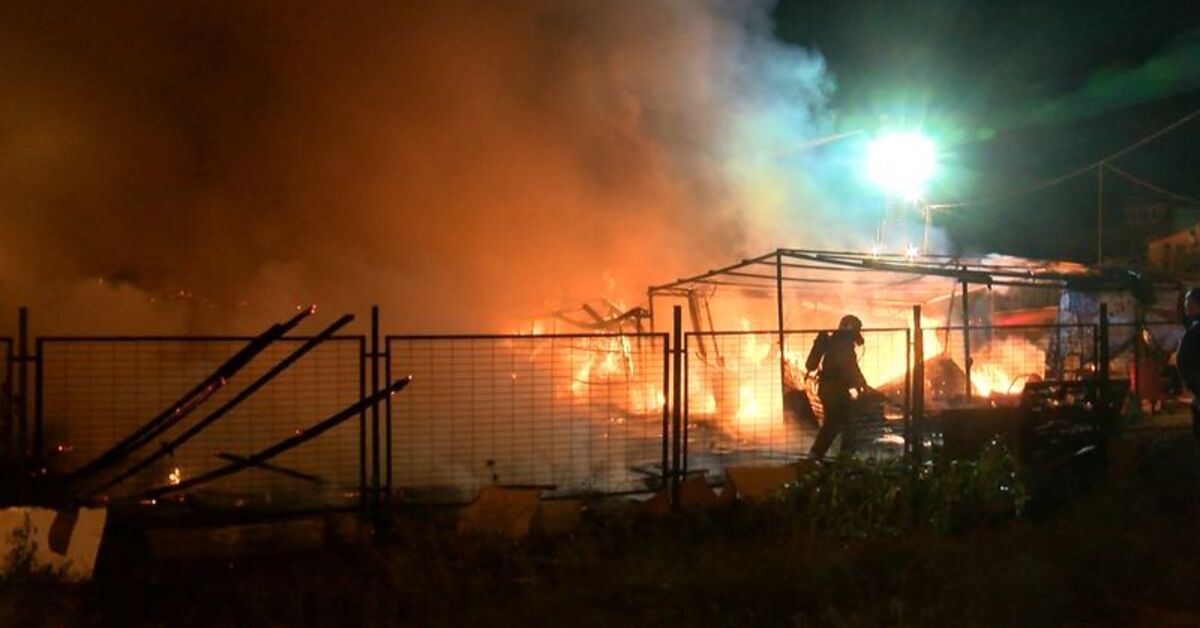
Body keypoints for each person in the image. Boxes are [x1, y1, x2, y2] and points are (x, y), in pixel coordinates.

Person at [808, 314, 871, 460]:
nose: (858, 334)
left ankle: (817, 455)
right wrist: (860, 383)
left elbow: (850, 368)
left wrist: (860, 383)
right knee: (847, 425)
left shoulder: (836, 342)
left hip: (831, 389)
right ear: (850, 328)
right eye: (856, 329)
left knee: (834, 424)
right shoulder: (843, 345)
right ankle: (842, 459)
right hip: (835, 391)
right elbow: (849, 368)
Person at [1176, 289, 1200, 442]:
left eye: (1189, 302)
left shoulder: (1196, 329)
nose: (1186, 305)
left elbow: (1187, 359)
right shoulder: (1194, 326)